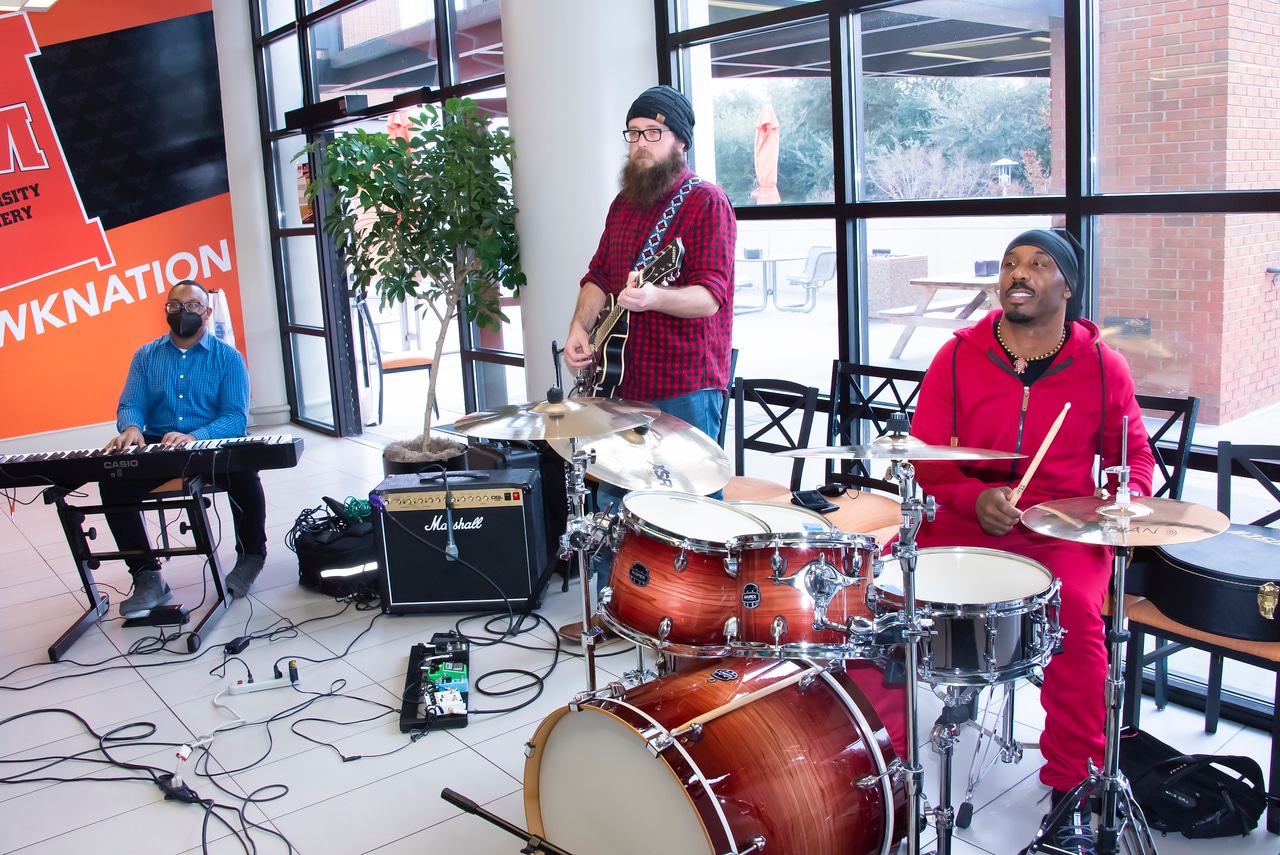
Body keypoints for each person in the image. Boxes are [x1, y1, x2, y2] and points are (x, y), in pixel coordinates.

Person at [907, 229, 1154, 852]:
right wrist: (971, 497)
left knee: (1077, 618)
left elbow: (1135, 459)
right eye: (1011, 263)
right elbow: (927, 459)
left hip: (1060, 534)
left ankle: (1073, 785)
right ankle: (882, 771)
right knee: (885, 601)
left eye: (1039, 264)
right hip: (965, 522)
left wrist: (1118, 503)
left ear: (1067, 285)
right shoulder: (956, 357)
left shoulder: (1103, 366)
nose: (1018, 273)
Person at [559, 85, 736, 640]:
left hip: (683, 382)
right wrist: (578, 329)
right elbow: (597, 277)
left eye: (651, 134)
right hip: (619, 382)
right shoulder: (623, 204)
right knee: (616, 502)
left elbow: (711, 295)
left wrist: (655, 297)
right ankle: (620, 612)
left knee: (691, 502)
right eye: (633, 134)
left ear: (680, 141)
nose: (639, 145)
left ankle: (709, 618)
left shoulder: (705, 202)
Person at [102, 279, 269, 617]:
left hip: (210, 442)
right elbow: (131, 404)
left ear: (206, 312)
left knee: (246, 476)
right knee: (113, 481)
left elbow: (235, 417)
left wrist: (196, 436)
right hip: (159, 445)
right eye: (175, 306)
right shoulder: (146, 355)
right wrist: (132, 427)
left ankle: (251, 556)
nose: (183, 312)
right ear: (166, 310)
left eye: (192, 306)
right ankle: (147, 575)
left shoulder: (228, 359)